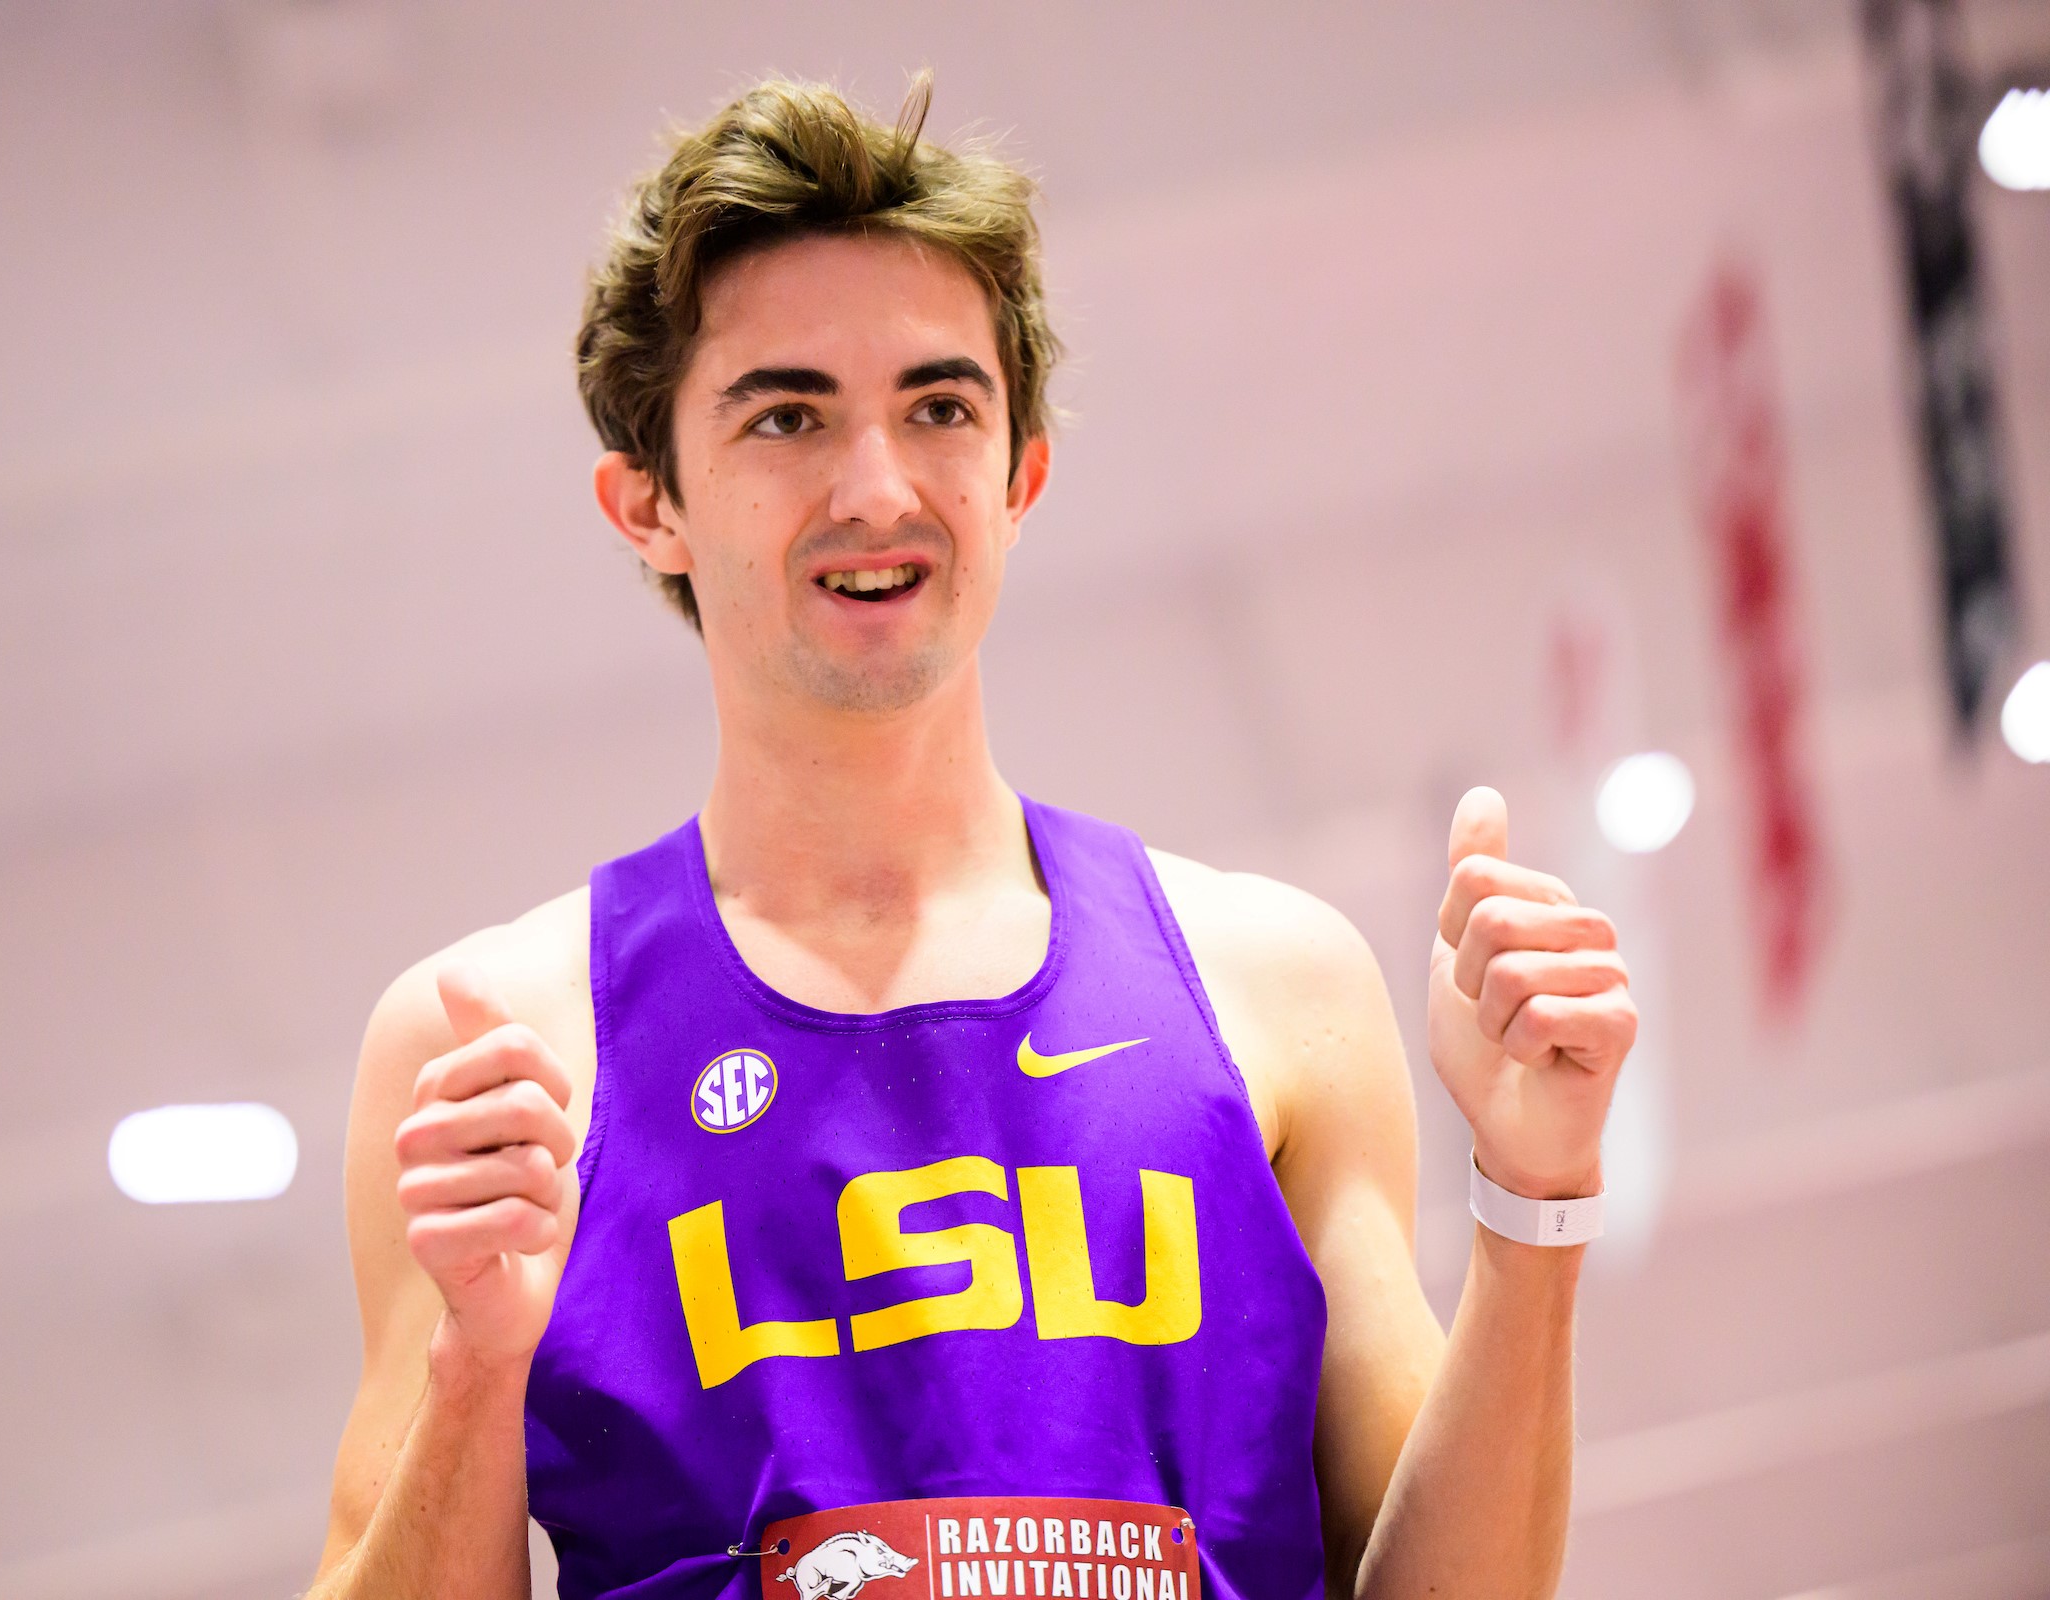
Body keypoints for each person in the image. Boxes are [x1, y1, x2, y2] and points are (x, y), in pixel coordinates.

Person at [307, 74, 1636, 1600]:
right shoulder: (505, 1046)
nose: (878, 489)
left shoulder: (1273, 987)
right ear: (648, 505)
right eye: (788, 416)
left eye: (939, 408)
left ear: (1021, 476)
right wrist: (478, 1368)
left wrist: (1535, 1203)